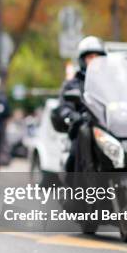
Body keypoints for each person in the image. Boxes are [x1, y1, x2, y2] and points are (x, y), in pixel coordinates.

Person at [52, 35, 106, 172]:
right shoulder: (73, 84)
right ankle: (72, 188)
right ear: (83, 60)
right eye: (90, 57)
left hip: (107, 131)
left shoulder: (111, 83)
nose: (94, 61)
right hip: (84, 130)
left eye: (97, 57)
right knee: (76, 153)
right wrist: (71, 115)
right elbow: (64, 106)